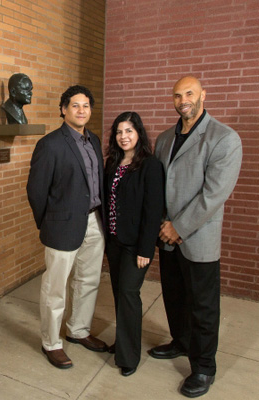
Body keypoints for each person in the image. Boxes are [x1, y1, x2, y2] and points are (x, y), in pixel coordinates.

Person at [149, 76, 242, 398]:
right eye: (177, 95)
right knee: (174, 297)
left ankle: (203, 367)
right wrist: (162, 225)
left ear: (203, 95)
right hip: (167, 235)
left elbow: (213, 195)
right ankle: (180, 342)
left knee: (203, 307)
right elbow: (158, 185)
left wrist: (179, 227)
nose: (182, 100)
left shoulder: (224, 139)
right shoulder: (164, 139)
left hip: (197, 238)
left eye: (189, 93)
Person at [26, 85, 108, 369]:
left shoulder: (94, 141)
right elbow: (36, 191)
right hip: (62, 226)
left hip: (94, 221)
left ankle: (79, 330)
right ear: (63, 109)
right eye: (75, 105)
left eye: (86, 105)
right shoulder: (50, 144)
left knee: (88, 280)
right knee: (55, 288)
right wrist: (48, 224)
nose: (81, 110)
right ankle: (51, 342)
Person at [104, 112, 164, 377]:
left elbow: (153, 211)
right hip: (115, 241)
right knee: (119, 292)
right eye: (119, 132)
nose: (123, 136)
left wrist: (145, 249)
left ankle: (129, 357)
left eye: (129, 131)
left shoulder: (150, 165)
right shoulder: (113, 162)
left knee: (129, 293)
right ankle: (123, 342)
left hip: (135, 245)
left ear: (139, 133)